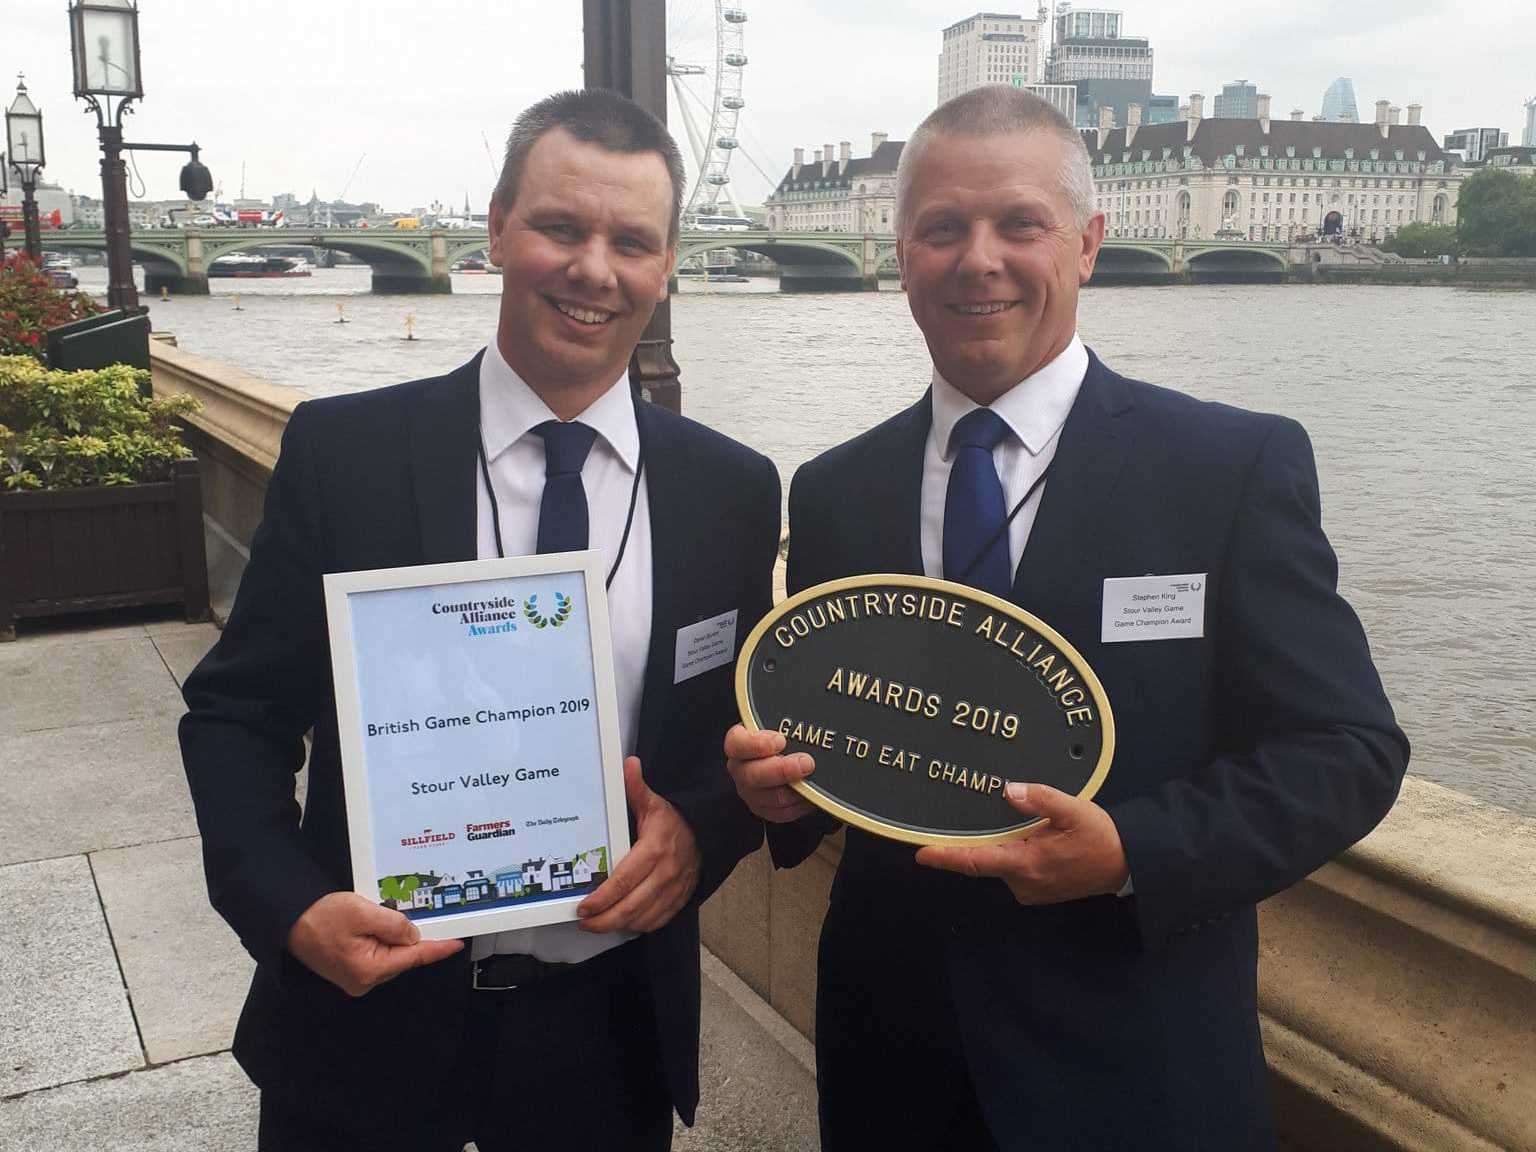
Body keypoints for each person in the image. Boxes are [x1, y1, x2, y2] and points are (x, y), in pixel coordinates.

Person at [726, 86, 1408, 1152]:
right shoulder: (833, 491)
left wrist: (1133, 847)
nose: (978, 259)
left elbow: (1349, 751)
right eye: (943, 228)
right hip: (894, 1059)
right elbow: (849, 748)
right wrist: (782, 799)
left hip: (1136, 1065)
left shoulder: (1228, 468)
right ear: (900, 256)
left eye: (1019, 224)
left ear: (1087, 245)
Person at [180, 88, 779, 1152]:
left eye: (631, 240)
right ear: (498, 227)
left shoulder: (730, 491)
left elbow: (736, 741)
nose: (595, 269)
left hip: (609, 1041)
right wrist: (288, 907)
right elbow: (237, 712)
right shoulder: (345, 455)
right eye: (561, 225)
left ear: (669, 261)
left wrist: (702, 833)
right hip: (368, 1019)